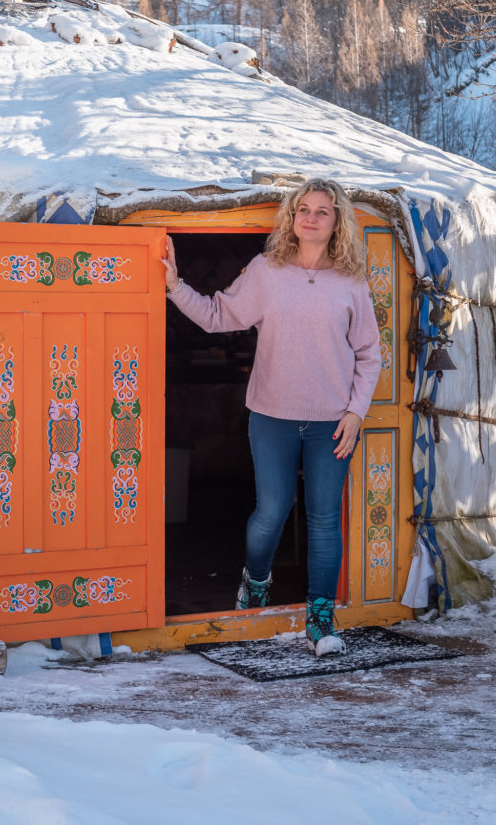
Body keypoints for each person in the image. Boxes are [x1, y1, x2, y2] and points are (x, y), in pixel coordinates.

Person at [161, 179, 382, 657]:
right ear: (291, 218)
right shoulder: (267, 270)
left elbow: (369, 354)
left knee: (324, 520)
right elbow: (219, 316)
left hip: (332, 423)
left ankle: (320, 621)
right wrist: (175, 287)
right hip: (272, 416)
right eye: (303, 209)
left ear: (338, 220)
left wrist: (355, 413)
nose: (311, 217)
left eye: (323, 211)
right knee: (270, 513)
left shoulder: (350, 281)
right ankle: (256, 582)